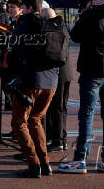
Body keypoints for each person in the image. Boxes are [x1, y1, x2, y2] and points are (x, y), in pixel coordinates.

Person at [58, 0, 104, 174]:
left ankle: (81, 159)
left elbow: (75, 35)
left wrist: (84, 13)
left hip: (93, 71)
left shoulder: (90, 14)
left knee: (87, 115)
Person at [11, 0, 57, 178]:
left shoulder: (24, 24)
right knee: (35, 120)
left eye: (22, 7)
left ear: (29, 8)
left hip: (31, 81)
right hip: (51, 81)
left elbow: (15, 50)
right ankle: (45, 163)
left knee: (19, 122)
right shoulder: (50, 23)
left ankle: (33, 164)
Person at [41, 8, 73, 152]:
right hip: (66, 71)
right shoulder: (62, 27)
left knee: (57, 107)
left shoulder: (49, 29)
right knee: (61, 107)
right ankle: (60, 139)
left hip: (57, 72)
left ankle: (58, 141)